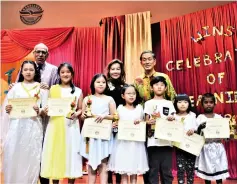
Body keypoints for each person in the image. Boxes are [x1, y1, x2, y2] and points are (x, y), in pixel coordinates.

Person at [3, 60, 48, 184]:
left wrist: (39, 110)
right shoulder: (15, 88)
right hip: (16, 128)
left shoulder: (41, 88)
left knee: (32, 157)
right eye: (26, 70)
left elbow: (46, 110)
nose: (28, 72)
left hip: (34, 128)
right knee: (15, 156)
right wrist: (8, 109)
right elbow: (7, 108)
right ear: (21, 72)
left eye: (31, 70)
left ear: (35, 71)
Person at [40, 63, 83, 184]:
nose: (65, 74)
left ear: (72, 74)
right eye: (62, 72)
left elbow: (80, 108)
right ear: (59, 74)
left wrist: (77, 113)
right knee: (55, 153)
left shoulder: (78, 91)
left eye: (68, 72)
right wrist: (47, 109)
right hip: (54, 126)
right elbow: (47, 105)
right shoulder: (52, 89)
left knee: (72, 152)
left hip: (71, 127)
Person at [107, 84, 149, 184]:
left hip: (136, 144)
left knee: (134, 172)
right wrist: (115, 125)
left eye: (133, 93)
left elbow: (143, 122)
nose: (131, 96)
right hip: (122, 144)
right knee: (124, 173)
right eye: (128, 93)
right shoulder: (119, 108)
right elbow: (116, 123)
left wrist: (140, 121)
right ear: (123, 96)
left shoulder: (139, 108)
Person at [80, 74, 116, 184]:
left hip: (104, 134)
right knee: (91, 161)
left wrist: (104, 116)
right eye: (98, 82)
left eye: (103, 82)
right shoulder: (87, 99)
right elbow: (82, 116)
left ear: (106, 85)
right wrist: (84, 116)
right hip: (90, 135)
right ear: (93, 84)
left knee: (104, 161)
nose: (101, 84)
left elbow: (115, 116)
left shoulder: (109, 99)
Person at [144, 76, 176, 184]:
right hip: (153, 141)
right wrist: (148, 122)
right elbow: (146, 120)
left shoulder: (169, 103)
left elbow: (173, 119)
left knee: (166, 170)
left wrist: (172, 119)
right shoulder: (148, 103)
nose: (159, 87)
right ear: (151, 88)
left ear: (166, 88)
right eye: (156, 85)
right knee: (153, 170)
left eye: (162, 85)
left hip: (166, 141)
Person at [195, 93, 229, 184]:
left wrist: (227, 135)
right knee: (207, 169)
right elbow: (196, 135)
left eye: (211, 102)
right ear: (202, 104)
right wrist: (199, 128)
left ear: (214, 103)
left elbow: (225, 134)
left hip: (218, 147)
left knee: (219, 168)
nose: (208, 104)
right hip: (205, 147)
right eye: (206, 102)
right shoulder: (200, 118)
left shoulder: (219, 117)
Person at [106, 59, 126, 184]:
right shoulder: (104, 84)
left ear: (121, 71)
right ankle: (108, 180)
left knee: (119, 152)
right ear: (109, 71)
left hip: (121, 123)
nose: (115, 71)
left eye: (118, 69)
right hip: (106, 122)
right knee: (108, 152)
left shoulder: (125, 86)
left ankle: (118, 179)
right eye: (113, 69)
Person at [173, 94, 197, 184]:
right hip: (179, 146)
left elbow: (196, 127)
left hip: (191, 146)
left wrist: (193, 130)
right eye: (179, 102)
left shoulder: (192, 115)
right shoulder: (173, 116)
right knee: (180, 169)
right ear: (175, 104)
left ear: (189, 104)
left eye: (185, 102)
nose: (182, 104)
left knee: (190, 169)